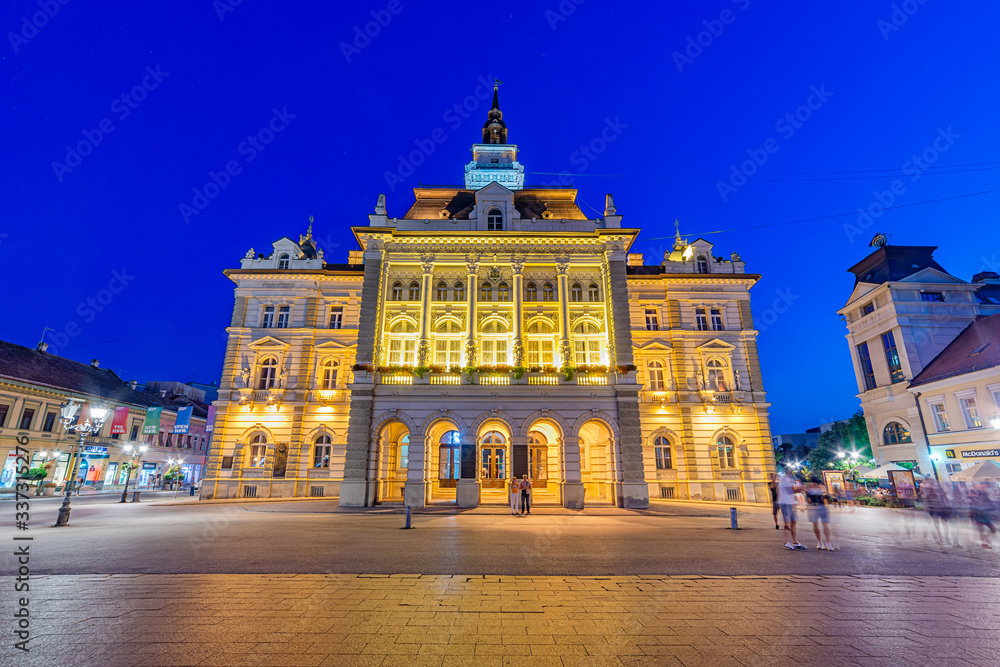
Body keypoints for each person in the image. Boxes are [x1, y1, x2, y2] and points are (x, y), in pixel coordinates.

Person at [777, 468, 806, 550]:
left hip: (789, 503)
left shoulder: (789, 479)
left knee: (793, 522)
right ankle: (786, 542)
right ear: (788, 471)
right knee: (786, 523)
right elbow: (789, 490)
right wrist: (801, 489)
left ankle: (795, 542)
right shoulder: (784, 479)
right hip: (785, 503)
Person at [805, 476, 834, 550]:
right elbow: (808, 500)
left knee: (825, 524)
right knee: (815, 524)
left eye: (815, 483)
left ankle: (828, 543)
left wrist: (823, 492)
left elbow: (826, 497)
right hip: (813, 507)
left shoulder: (821, 489)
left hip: (821, 506)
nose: (813, 484)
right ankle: (820, 542)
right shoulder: (808, 490)